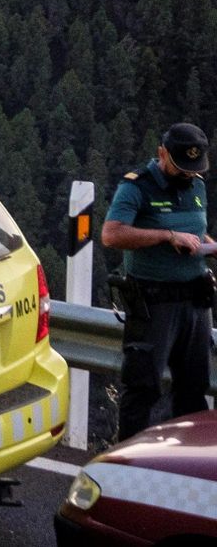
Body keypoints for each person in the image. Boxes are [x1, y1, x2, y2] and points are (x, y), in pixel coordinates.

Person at [102, 122, 216, 440]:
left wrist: (209, 244)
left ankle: (185, 464)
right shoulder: (136, 186)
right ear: (161, 153)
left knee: (194, 389)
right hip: (154, 303)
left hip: (196, 301)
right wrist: (166, 236)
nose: (188, 174)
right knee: (143, 388)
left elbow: (195, 229)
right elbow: (112, 235)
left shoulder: (197, 185)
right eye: (181, 167)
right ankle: (124, 468)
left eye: (194, 168)